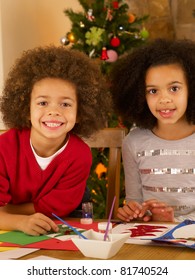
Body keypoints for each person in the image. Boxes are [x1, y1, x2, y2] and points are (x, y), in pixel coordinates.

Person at [0, 45, 111, 235]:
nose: (54, 112)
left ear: (81, 112)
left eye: (65, 104)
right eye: (43, 103)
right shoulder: (4, 148)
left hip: (60, 225)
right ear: (26, 108)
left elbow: (56, 208)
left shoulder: (80, 155)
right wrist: (20, 222)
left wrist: (6, 211)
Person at [110, 38, 195, 223]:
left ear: (191, 89)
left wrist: (172, 222)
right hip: (152, 239)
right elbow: (136, 203)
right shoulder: (133, 142)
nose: (164, 99)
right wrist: (133, 212)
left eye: (174, 88)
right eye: (153, 91)